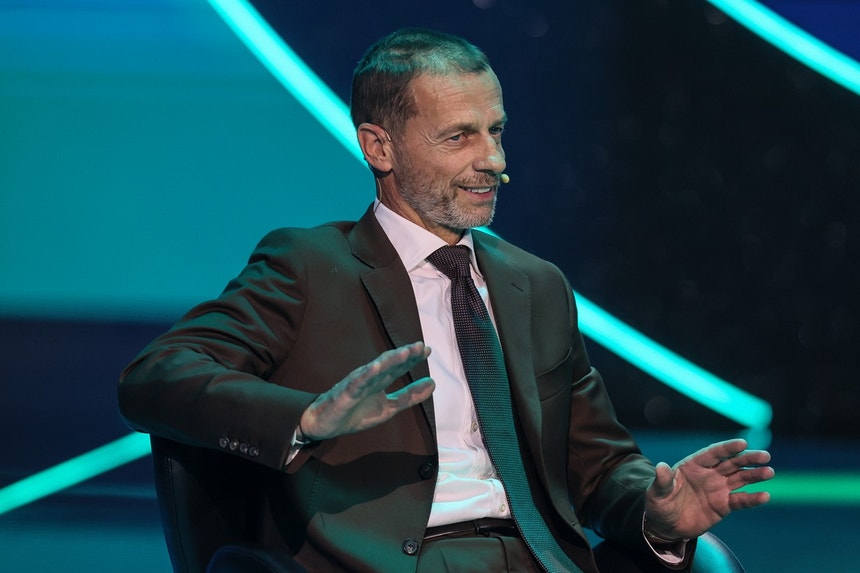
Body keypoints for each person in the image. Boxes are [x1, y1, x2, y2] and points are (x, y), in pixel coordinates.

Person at [118, 28, 773, 573]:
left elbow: (598, 465)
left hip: (539, 559)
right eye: (459, 137)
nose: (494, 160)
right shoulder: (310, 266)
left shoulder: (537, 284)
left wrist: (657, 513)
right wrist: (308, 418)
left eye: (496, 131)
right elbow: (154, 377)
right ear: (379, 146)